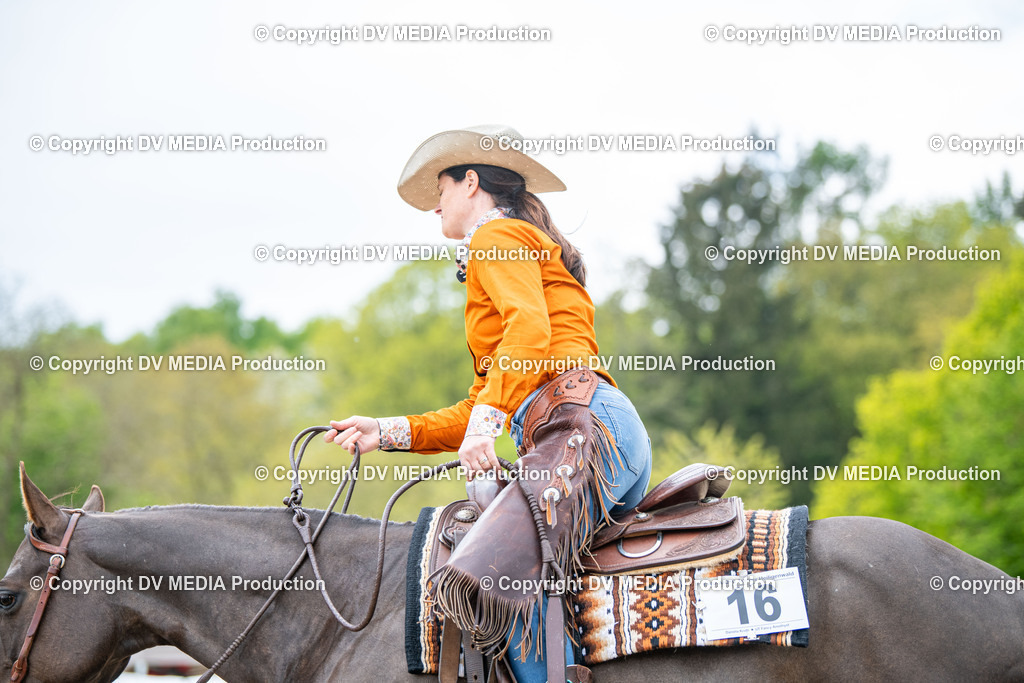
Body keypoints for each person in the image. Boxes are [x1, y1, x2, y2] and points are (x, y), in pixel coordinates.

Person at [325, 124, 652, 682]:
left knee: (493, 582)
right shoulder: (513, 245)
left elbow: (529, 331)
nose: (435, 208)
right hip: (586, 432)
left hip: (584, 433)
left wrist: (486, 425)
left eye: (442, 190)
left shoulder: (495, 238)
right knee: (523, 581)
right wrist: (388, 430)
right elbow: (485, 396)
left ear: (471, 182)